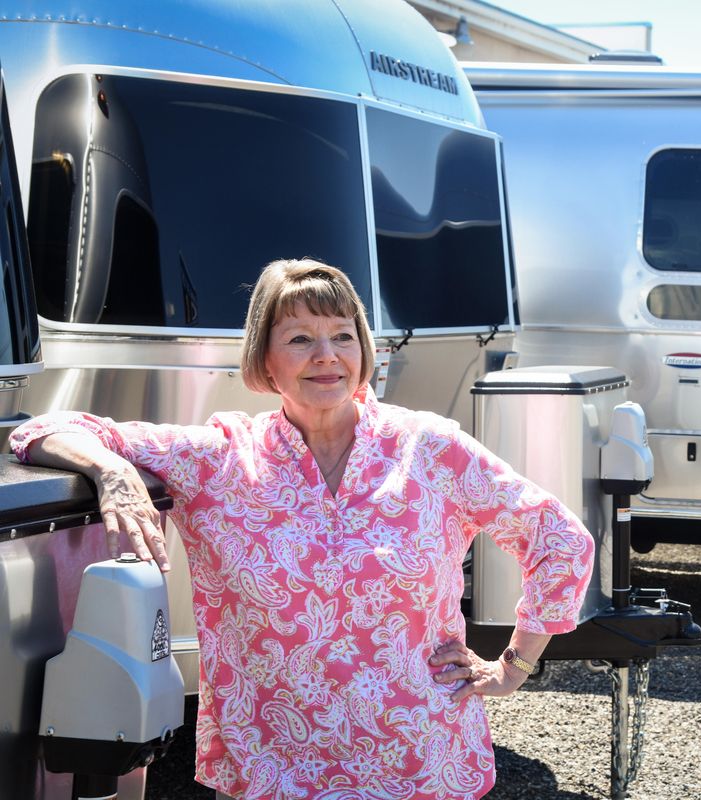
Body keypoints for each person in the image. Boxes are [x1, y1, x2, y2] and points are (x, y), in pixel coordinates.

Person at [10, 258, 595, 799]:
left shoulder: (429, 447)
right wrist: (111, 471)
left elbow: (560, 539)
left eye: (344, 336)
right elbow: (41, 428)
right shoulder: (218, 458)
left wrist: (514, 666)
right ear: (265, 361)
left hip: (419, 764)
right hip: (270, 771)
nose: (327, 355)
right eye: (299, 339)